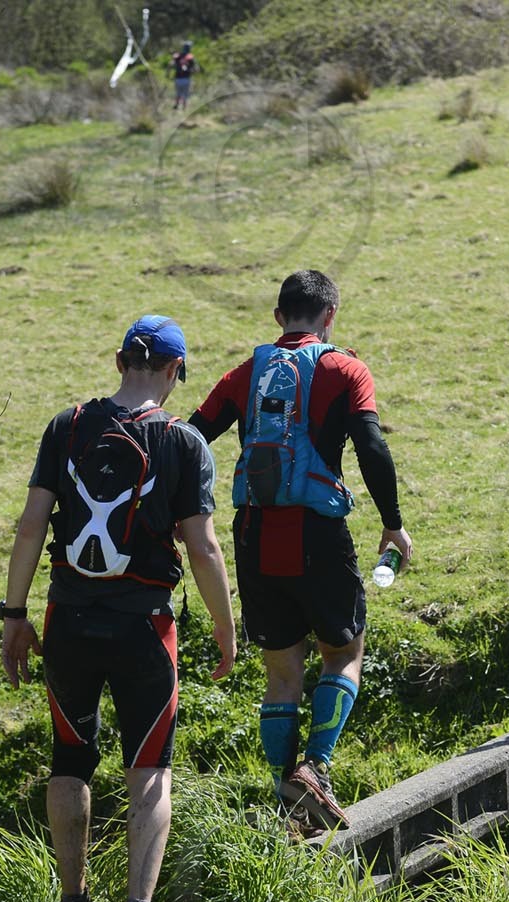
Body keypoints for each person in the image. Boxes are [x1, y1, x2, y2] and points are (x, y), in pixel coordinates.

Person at [1, 315, 236, 902]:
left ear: (117, 362)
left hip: (67, 621)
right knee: (150, 769)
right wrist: (224, 627)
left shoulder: (67, 426)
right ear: (175, 371)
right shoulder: (184, 442)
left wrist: (14, 614)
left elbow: (30, 526)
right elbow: (203, 548)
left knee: (70, 759)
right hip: (145, 628)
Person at [188, 270, 411, 830]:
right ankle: (317, 766)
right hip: (317, 530)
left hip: (254, 532)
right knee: (344, 653)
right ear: (330, 315)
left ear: (278, 316)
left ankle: (288, 802)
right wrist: (393, 524)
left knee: (282, 673)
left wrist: (173, 511)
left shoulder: (244, 373)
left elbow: (192, 438)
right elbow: (371, 444)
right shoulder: (345, 369)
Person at [171, 42, 197, 110]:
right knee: (185, 94)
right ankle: (184, 107)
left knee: (178, 93)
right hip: (186, 78)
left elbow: (172, 64)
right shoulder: (190, 57)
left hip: (178, 78)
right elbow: (195, 68)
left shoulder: (177, 56)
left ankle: (177, 105)